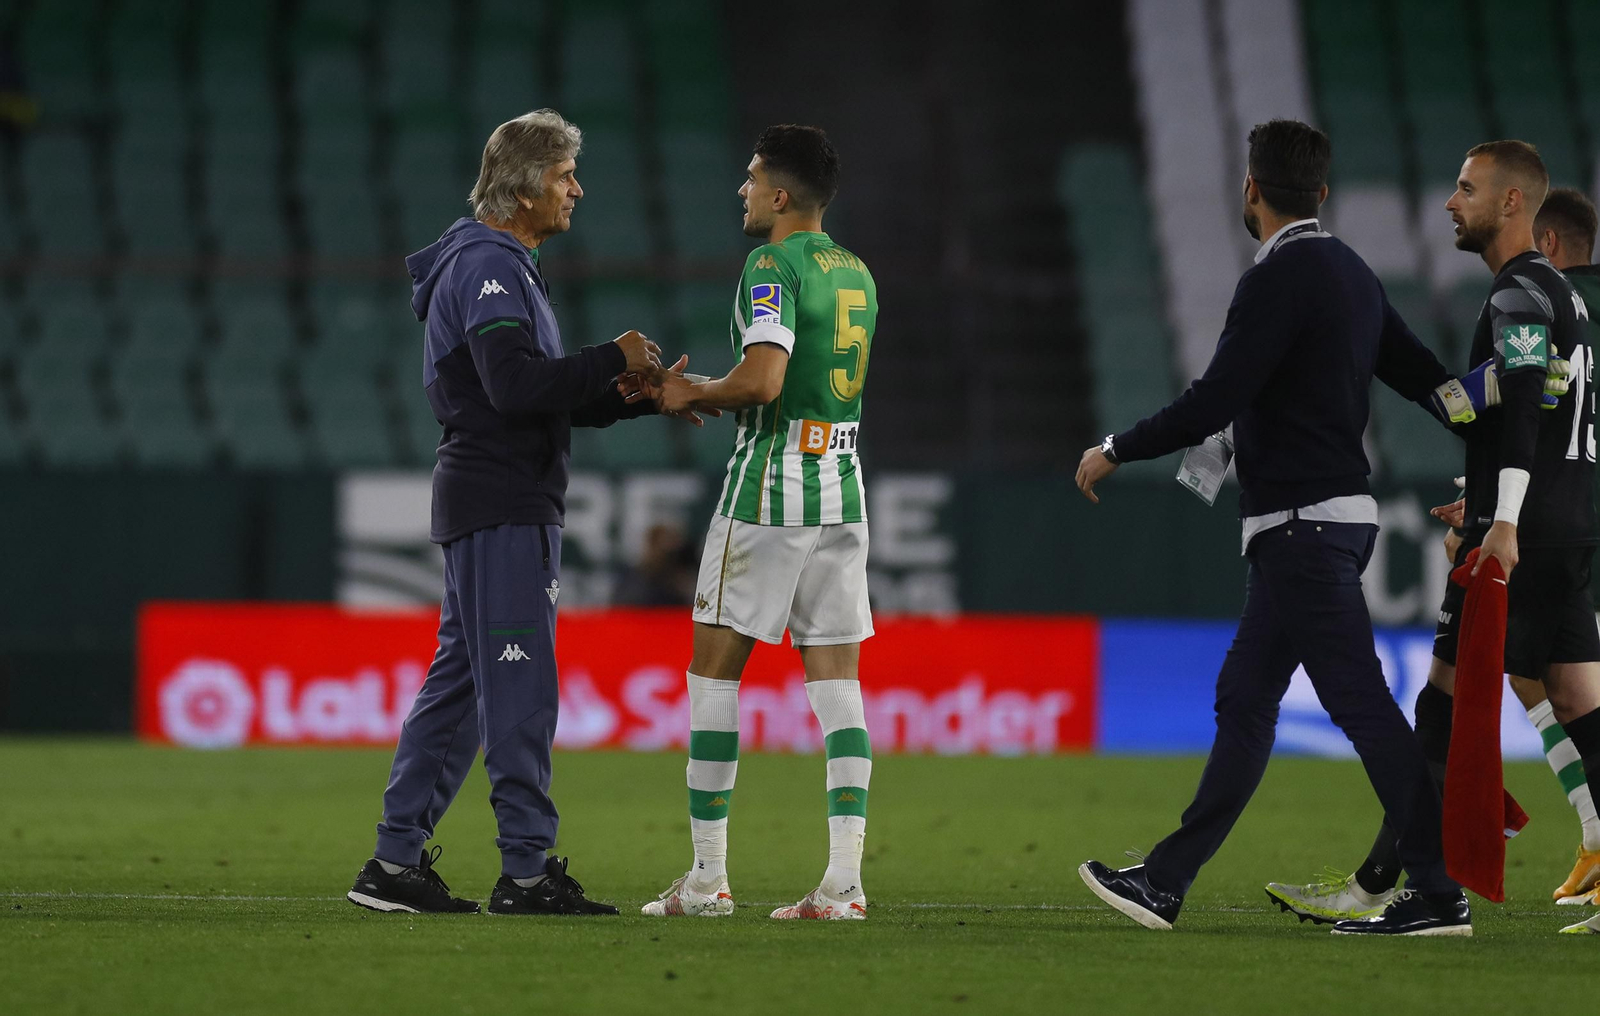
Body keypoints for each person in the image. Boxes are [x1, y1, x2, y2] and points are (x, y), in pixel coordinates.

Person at [1073, 119, 1482, 936]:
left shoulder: (1274, 279)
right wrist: (1499, 447)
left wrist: (1117, 447)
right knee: (1247, 697)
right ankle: (1165, 881)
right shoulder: (1354, 275)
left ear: (1252, 188)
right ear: (1321, 192)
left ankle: (1440, 893)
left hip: (1301, 528)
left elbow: (1214, 399)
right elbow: (1432, 384)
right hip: (1325, 526)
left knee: (1359, 704)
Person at [346, 108, 688, 916]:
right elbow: (514, 387)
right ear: (527, 185)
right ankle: (527, 873)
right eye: (566, 175)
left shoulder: (496, 264)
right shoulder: (489, 264)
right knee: (519, 690)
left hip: (489, 494)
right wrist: (610, 356)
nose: (577, 190)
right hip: (504, 501)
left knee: (461, 687)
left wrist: (637, 397)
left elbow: (533, 395)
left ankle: (394, 864)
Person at [1265, 149, 1600, 938]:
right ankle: (1392, 881)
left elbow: (1524, 402)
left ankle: (1420, 892)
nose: (1451, 202)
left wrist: (1502, 519)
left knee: (1441, 707)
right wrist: (1484, 497)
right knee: (1577, 702)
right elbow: (1521, 408)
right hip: (1566, 526)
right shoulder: (1563, 297)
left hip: (1522, 536)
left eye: (1466, 189)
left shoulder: (1518, 291)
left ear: (1512, 203)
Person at [636, 124, 879, 921]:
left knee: (713, 679)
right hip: (842, 482)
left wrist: (690, 391)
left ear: (780, 194)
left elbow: (765, 380)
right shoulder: (857, 271)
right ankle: (843, 885)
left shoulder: (771, 265)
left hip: (772, 486)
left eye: (750, 178)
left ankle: (707, 879)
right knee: (838, 688)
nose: (741, 190)